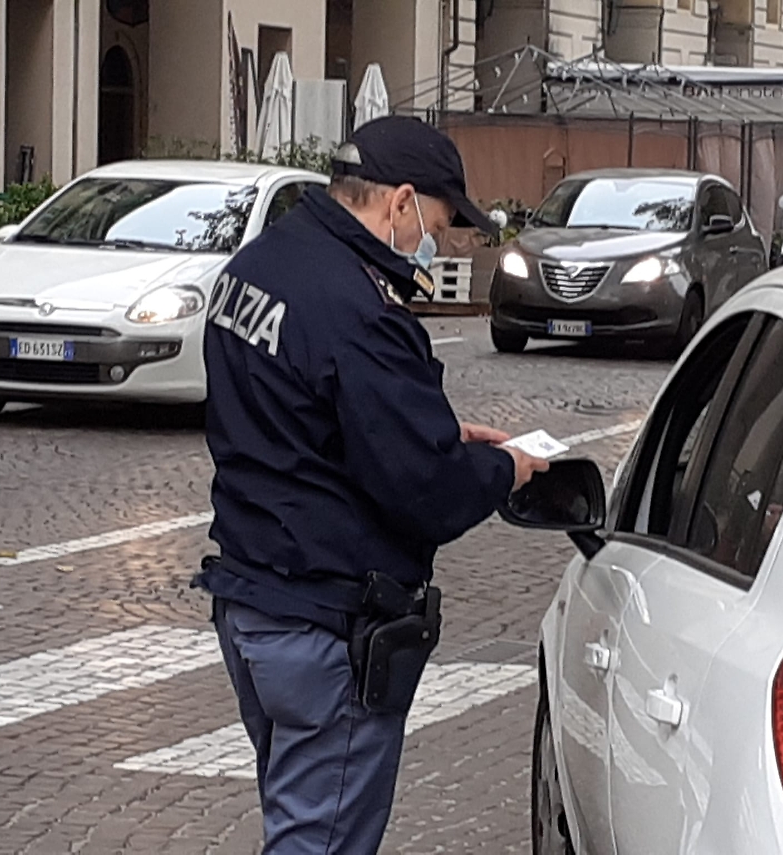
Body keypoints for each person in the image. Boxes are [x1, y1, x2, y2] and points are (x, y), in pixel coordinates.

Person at [191, 115, 549, 854]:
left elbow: (300, 418)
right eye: (437, 226)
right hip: (327, 623)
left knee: (297, 821)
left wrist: (430, 431)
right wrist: (502, 468)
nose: (432, 243)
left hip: (251, 602)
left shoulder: (257, 266)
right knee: (320, 841)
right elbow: (426, 490)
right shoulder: (360, 308)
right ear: (401, 201)